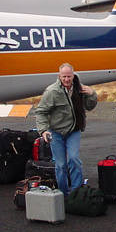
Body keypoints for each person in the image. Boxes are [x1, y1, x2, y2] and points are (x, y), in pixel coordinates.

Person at [35, 63, 98, 196]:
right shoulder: (52, 92)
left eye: (69, 76)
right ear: (59, 76)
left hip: (73, 130)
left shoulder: (80, 89)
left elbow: (90, 106)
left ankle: (76, 192)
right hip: (56, 132)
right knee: (61, 165)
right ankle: (63, 193)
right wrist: (43, 130)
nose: (67, 79)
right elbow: (41, 112)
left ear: (73, 75)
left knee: (74, 159)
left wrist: (92, 94)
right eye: (64, 76)